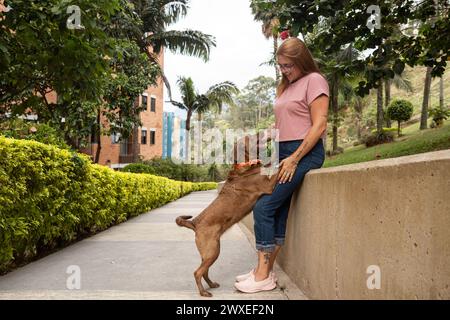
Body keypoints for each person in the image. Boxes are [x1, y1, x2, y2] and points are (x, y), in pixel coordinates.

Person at [234, 37, 329, 293]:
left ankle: (263, 275)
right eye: (280, 65)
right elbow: (282, 125)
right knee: (277, 211)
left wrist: (295, 157)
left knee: (263, 207)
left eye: (288, 66)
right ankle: (262, 272)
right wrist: (260, 137)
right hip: (282, 153)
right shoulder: (285, 87)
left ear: (301, 61)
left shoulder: (315, 81)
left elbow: (319, 125)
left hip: (304, 153)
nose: (283, 70)